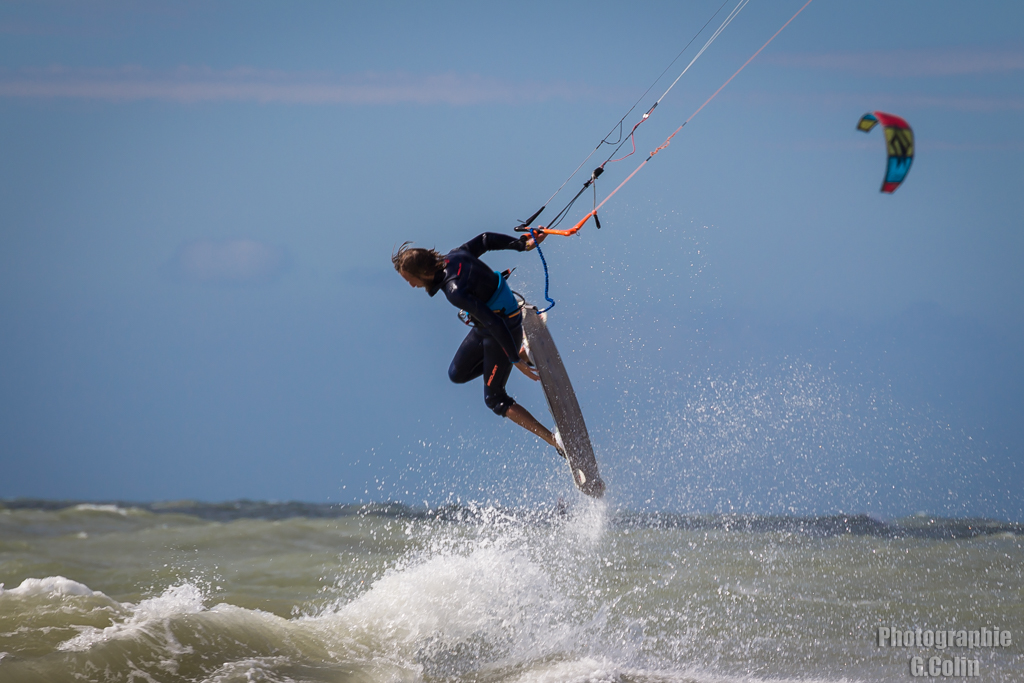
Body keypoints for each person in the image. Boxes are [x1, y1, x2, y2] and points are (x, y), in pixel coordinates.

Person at [392, 231, 563, 457]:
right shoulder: (456, 255)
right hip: (489, 326)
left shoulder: (454, 291)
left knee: (494, 399)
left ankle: (554, 441)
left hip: (502, 326)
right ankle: (521, 350)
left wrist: (512, 359)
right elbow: (485, 239)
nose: (411, 285)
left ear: (423, 273)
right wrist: (523, 244)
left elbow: (493, 322)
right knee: (456, 374)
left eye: (410, 279)